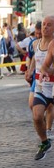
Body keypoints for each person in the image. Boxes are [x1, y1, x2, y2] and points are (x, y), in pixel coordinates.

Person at [30, 15, 54, 160]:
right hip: (42, 85)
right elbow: (41, 63)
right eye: (44, 24)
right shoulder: (36, 44)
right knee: (37, 115)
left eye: (49, 25)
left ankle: (49, 127)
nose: (45, 27)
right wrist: (31, 71)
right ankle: (45, 142)